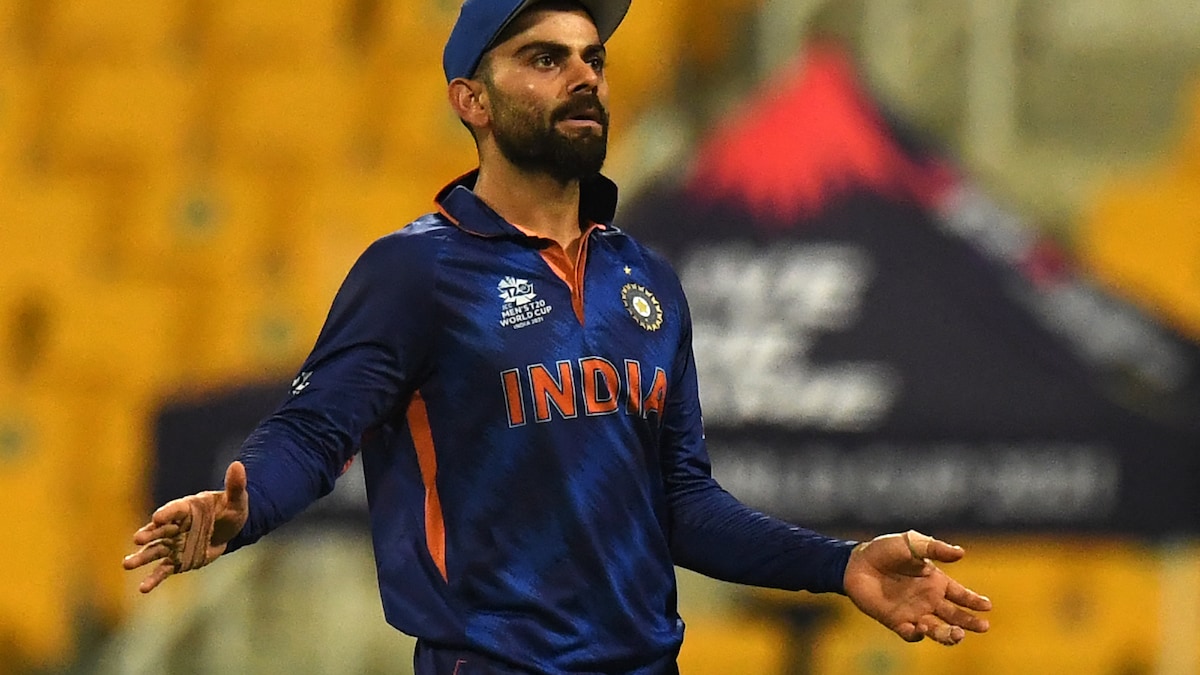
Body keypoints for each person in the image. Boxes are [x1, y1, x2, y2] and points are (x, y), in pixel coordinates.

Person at [123, 1, 992, 672]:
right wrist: (246, 507)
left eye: (593, 58)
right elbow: (315, 429)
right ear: (472, 100)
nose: (583, 76)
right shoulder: (414, 271)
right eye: (545, 58)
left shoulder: (647, 280)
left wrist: (841, 565)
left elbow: (682, 504)